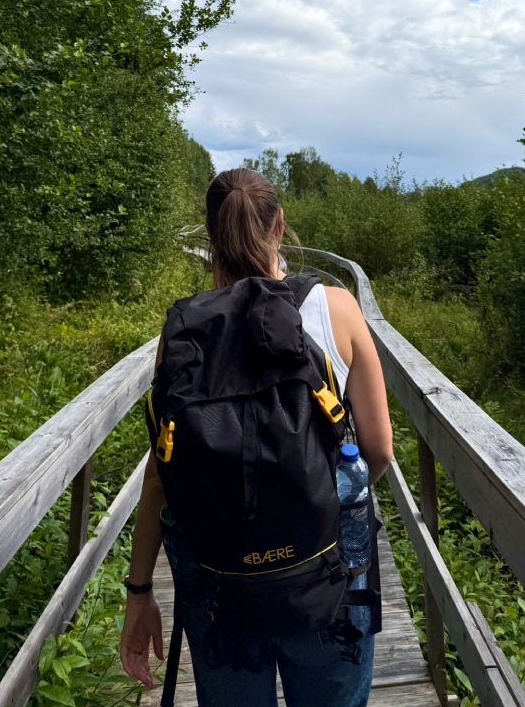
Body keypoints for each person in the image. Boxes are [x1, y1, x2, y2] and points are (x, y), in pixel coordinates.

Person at [119, 168, 393, 707]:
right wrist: (316, 498)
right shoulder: (336, 307)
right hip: (326, 579)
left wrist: (140, 592)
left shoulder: (183, 333)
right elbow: (379, 451)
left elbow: (160, 477)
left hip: (220, 590)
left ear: (209, 235)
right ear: (280, 225)